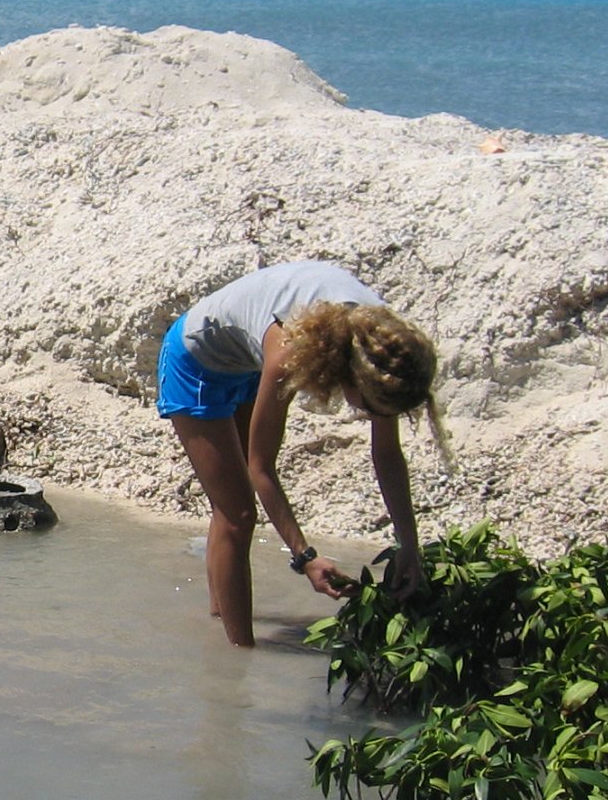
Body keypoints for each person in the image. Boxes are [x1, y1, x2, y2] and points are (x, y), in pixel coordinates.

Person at [155, 261, 443, 647]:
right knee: (238, 513)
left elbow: (387, 454)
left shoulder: (382, 351)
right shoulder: (290, 352)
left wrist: (409, 545)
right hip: (195, 363)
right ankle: (237, 662)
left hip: (244, 359)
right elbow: (262, 468)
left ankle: (221, 616)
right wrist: (305, 556)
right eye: (370, 409)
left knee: (231, 508)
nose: (370, 417)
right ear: (351, 374)